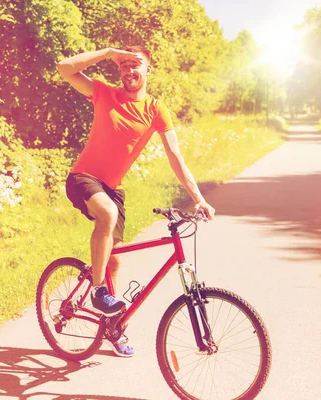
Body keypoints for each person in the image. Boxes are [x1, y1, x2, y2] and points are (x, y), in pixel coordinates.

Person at [57, 46, 215, 357]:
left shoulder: (156, 109)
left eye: (137, 64)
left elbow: (175, 156)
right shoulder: (105, 94)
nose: (130, 70)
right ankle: (98, 292)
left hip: (113, 188)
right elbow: (64, 67)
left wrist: (199, 199)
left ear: (148, 70)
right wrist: (109, 52)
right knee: (107, 213)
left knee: (113, 260)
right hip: (83, 178)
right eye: (125, 65)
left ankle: (113, 329)